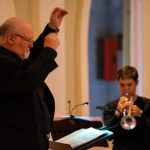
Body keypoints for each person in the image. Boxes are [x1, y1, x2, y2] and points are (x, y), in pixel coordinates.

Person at [0, 7, 68, 150]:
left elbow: (32, 55)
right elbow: (27, 80)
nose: (31, 44)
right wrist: (49, 51)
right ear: (11, 38)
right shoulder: (2, 60)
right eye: (28, 40)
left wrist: (52, 28)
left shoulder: (12, 57)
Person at [103, 65, 150, 150]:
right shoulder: (110, 106)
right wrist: (117, 114)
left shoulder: (147, 104)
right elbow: (108, 136)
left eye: (129, 85)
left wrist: (141, 115)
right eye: (122, 85)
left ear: (137, 83)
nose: (126, 89)